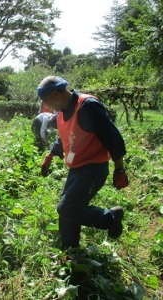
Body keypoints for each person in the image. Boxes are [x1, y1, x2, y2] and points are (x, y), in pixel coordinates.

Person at [37, 75, 129, 250]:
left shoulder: (87, 107)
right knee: (69, 210)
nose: (47, 106)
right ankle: (70, 249)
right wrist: (49, 156)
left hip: (93, 168)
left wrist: (120, 169)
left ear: (56, 94)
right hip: (77, 169)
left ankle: (110, 218)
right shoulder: (63, 113)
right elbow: (64, 139)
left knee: (66, 209)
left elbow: (113, 138)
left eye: (46, 101)